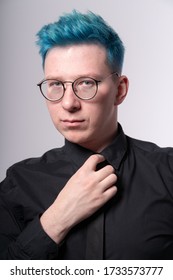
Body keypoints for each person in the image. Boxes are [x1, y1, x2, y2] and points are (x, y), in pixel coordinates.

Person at [0, 10, 173, 260]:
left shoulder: (167, 172)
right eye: (56, 84)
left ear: (120, 90)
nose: (68, 103)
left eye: (86, 83)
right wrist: (57, 219)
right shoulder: (17, 184)